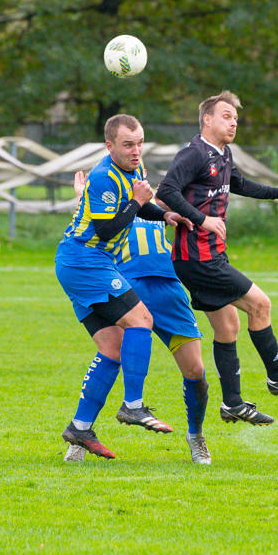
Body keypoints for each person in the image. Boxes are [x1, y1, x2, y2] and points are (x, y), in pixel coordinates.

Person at [156, 91, 278, 426]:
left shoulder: (222, 154)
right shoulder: (193, 154)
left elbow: (239, 183)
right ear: (207, 119)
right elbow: (167, 192)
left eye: (235, 118)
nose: (233, 123)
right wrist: (202, 220)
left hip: (211, 255)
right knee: (260, 304)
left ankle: (232, 403)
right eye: (226, 116)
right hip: (198, 257)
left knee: (228, 326)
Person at [55, 114, 190, 460]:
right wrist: (136, 200)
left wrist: (166, 215)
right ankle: (133, 405)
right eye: (128, 144)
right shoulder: (102, 176)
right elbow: (106, 231)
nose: (136, 150)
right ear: (109, 145)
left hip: (87, 263)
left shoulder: (135, 169)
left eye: (140, 142)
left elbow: (141, 206)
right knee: (141, 320)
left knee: (112, 347)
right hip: (85, 260)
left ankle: (80, 428)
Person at [64, 171, 212, 465]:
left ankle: (195, 436)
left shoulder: (155, 205)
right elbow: (92, 226)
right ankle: (81, 432)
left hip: (167, 289)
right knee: (110, 353)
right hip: (124, 283)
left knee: (195, 370)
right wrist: (82, 196)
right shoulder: (112, 202)